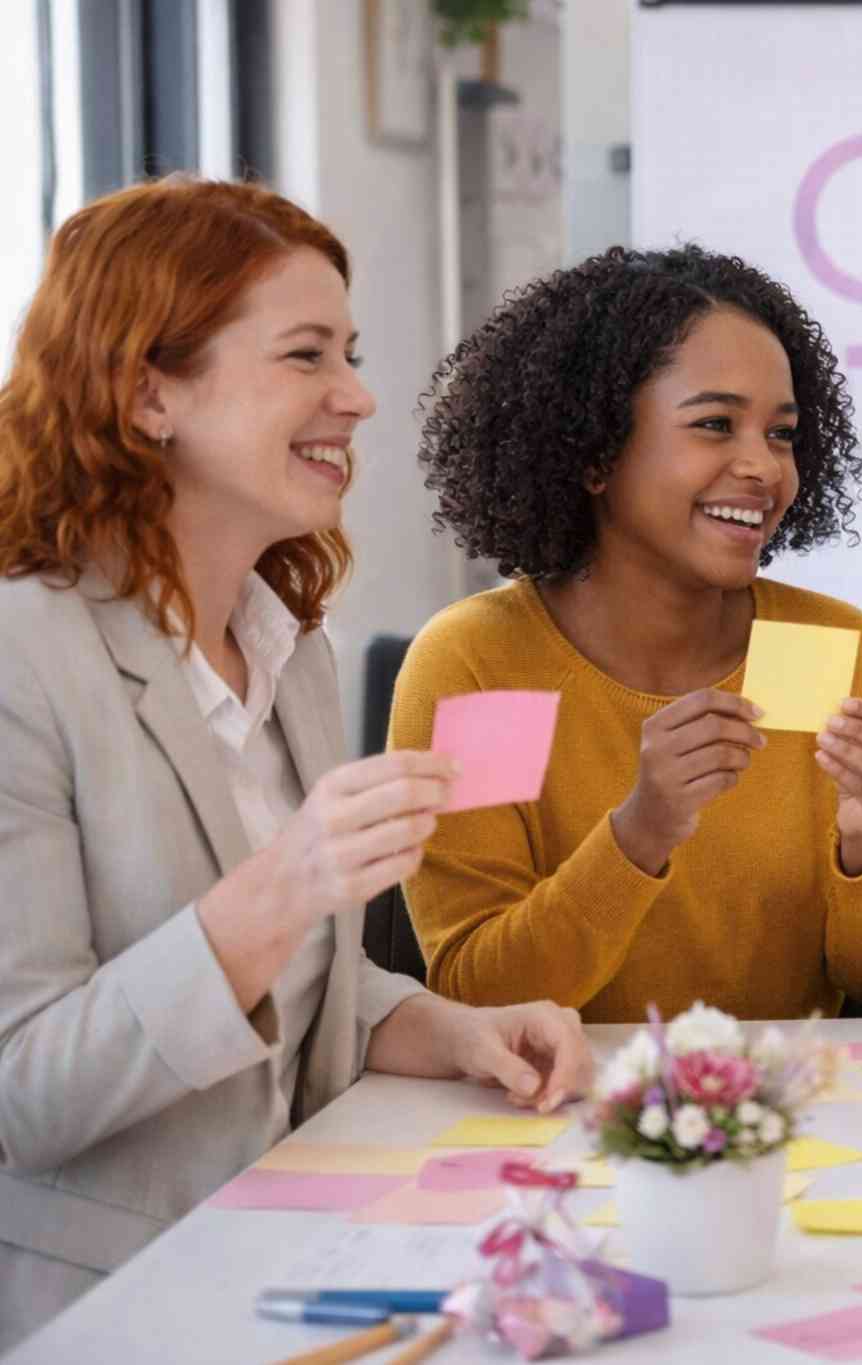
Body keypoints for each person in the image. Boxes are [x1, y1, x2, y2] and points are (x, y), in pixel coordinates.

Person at [0, 177, 592, 1351]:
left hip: (304, 1257)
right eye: (306, 356)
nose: (359, 397)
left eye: (351, 353)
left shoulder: (287, 644)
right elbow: (26, 1094)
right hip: (120, 1309)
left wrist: (451, 1028)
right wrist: (285, 885)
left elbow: (300, 987)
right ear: (149, 391)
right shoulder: (22, 659)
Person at [392, 245, 862, 1022]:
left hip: (801, 1122)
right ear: (594, 452)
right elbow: (482, 990)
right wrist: (639, 832)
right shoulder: (491, 665)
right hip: (556, 1121)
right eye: (715, 424)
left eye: (782, 433)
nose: (762, 466)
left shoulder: (818, 647)